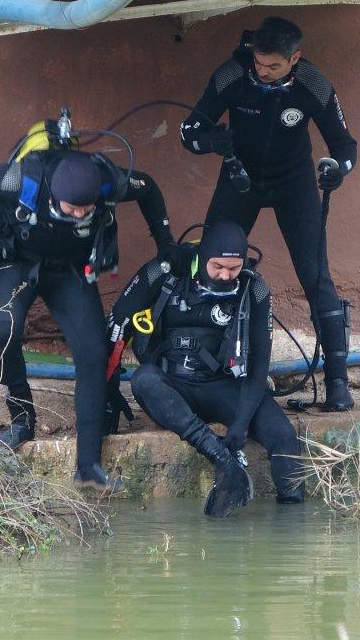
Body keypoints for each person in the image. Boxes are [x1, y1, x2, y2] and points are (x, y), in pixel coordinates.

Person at [0, 143, 175, 493]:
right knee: (3, 328)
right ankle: (22, 417)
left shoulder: (109, 182)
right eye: (73, 208)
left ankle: (88, 467)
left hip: (69, 271)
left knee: (93, 353)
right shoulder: (21, 180)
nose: (81, 214)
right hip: (17, 262)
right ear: (55, 194)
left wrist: (166, 244)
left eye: (88, 210)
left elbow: (148, 188)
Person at [179, 16, 358, 412]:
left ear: (296, 58)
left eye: (273, 66)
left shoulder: (313, 84)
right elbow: (189, 129)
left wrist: (335, 170)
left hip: (293, 183)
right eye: (258, 63)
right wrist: (210, 140)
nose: (262, 71)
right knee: (207, 264)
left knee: (315, 275)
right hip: (239, 179)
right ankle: (196, 370)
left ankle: (338, 383)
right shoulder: (232, 74)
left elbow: (345, 146)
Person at [105, 221, 304, 517]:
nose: (225, 275)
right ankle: (221, 459)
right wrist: (107, 394)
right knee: (143, 379)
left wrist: (240, 425)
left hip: (225, 386)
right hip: (172, 386)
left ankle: (292, 521)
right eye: (217, 267)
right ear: (203, 256)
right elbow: (116, 325)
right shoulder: (165, 271)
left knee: (284, 438)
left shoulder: (255, 288)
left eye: (234, 268)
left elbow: (259, 364)